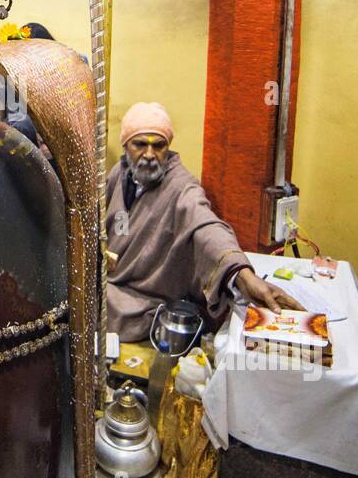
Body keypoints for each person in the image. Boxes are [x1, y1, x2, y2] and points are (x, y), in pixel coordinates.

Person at [106, 101, 302, 341]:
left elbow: (207, 226)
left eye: (158, 146)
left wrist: (243, 275)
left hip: (142, 296)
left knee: (101, 310)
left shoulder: (181, 188)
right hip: (112, 281)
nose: (149, 154)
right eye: (139, 145)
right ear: (125, 145)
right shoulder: (120, 173)